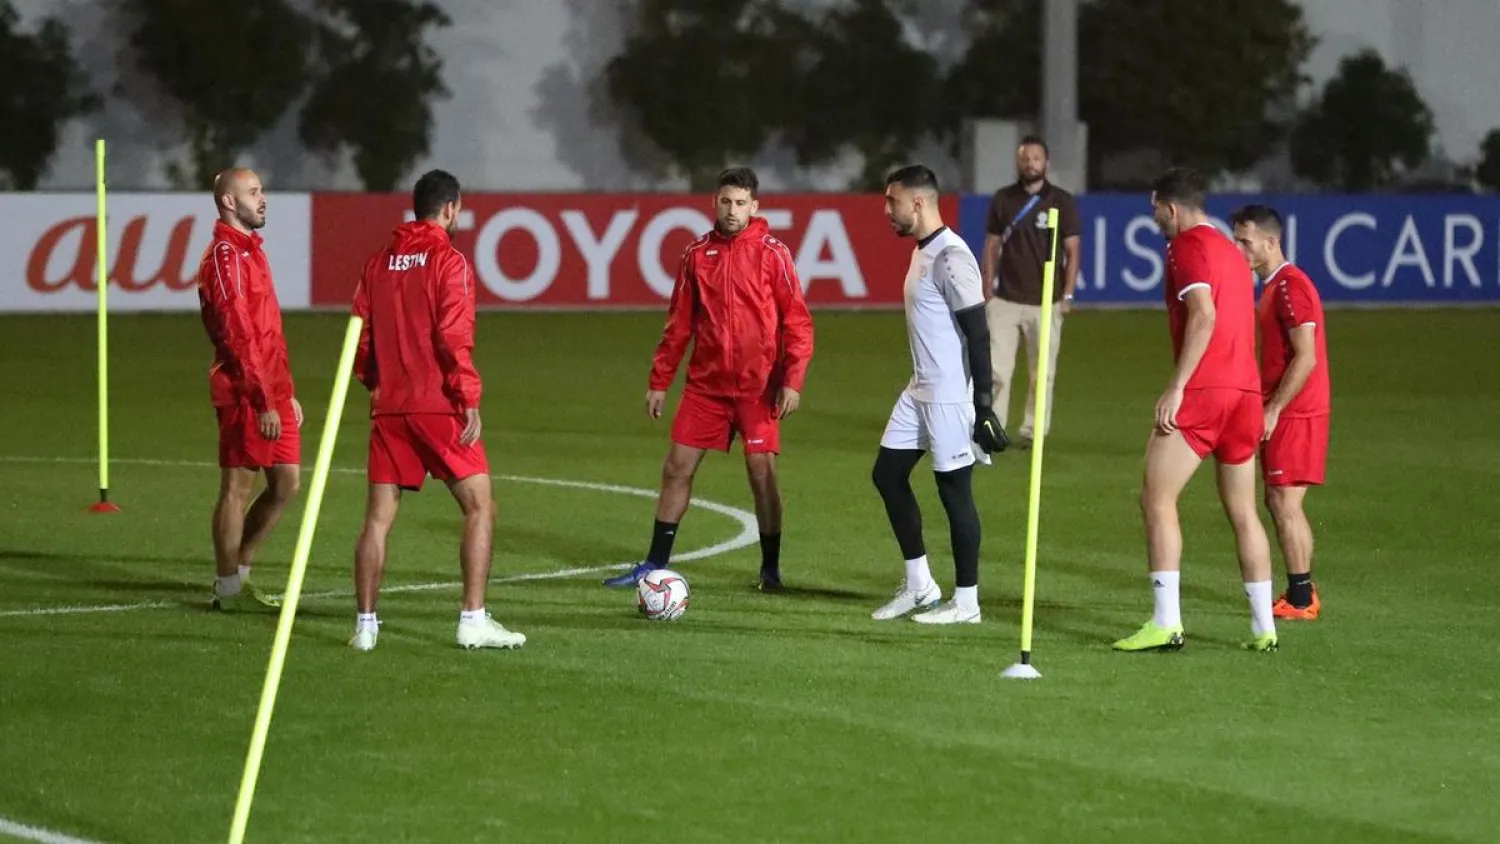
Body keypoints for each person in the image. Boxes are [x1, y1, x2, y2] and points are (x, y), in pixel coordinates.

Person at [603, 166, 815, 591]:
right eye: (725, 202)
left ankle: (770, 570)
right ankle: (655, 564)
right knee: (676, 469)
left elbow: (798, 322)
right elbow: (679, 323)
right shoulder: (697, 255)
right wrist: (660, 381)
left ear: (754, 207)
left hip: (759, 388)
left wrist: (792, 379)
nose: (732, 210)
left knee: (762, 475)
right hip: (706, 388)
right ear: (714, 203)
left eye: (740, 203)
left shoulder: (773, 254)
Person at [347, 169, 525, 652]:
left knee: (378, 520)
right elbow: (452, 336)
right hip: (437, 406)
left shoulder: (378, 262)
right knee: (480, 506)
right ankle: (473, 618)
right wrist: (467, 397)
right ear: (451, 209)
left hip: (389, 408)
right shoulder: (450, 261)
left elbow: (360, 338)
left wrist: (377, 383)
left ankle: (365, 627)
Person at [1113, 167, 1279, 653]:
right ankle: (1263, 628)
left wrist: (1177, 387)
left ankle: (1166, 622)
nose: (1155, 221)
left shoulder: (1184, 247)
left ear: (1171, 208)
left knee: (1157, 499)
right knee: (1244, 512)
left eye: (1155, 211)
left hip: (1207, 392)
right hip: (1246, 396)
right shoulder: (1233, 250)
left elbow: (1204, 315)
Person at [869, 164, 1008, 625]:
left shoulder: (951, 257)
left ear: (918, 202)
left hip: (949, 396)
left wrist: (984, 407)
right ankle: (920, 586)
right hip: (919, 390)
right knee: (888, 475)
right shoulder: (923, 250)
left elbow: (979, 333)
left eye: (892, 201)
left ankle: (966, 603)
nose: (886, 210)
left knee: (954, 493)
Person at [196, 168, 302, 612]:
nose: (263, 199)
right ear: (227, 202)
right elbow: (238, 334)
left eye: (262, 190)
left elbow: (268, 331)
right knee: (237, 489)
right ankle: (227, 588)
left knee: (286, 485)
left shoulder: (251, 251)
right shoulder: (223, 256)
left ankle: (241, 570)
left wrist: (285, 391)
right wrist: (261, 399)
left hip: (271, 388)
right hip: (244, 391)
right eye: (253, 192)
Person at [1231, 204, 1331, 620]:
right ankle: (1300, 592)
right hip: (1289, 408)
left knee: (1284, 502)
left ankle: (1303, 599)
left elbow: (1305, 358)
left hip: (1296, 412)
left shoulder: (1291, 287)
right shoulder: (1275, 287)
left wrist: (1273, 408)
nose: (1240, 248)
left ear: (1271, 242)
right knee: (1279, 500)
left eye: (1246, 241)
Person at [980, 135, 1082, 449]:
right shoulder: (1003, 199)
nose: (1030, 163)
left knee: (1043, 374)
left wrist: (1067, 295)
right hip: (1006, 300)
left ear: (1046, 163)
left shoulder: (1061, 201)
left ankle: (1032, 432)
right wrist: (987, 289)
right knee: (997, 371)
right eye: (1025, 158)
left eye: (1036, 158)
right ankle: (992, 430)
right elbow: (992, 245)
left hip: (1046, 301)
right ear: (1018, 162)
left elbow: (1073, 249)